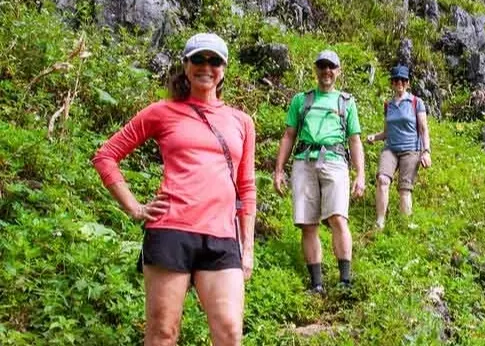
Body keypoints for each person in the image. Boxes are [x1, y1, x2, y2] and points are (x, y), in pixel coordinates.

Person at [92, 33, 256, 346]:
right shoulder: (161, 112)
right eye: (198, 59)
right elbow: (105, 156)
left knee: (230, 332)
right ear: (185, 65)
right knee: (162, 333)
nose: (205, 66)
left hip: (223, 237)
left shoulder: (241, 121)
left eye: (214, 60)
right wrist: (134, 207)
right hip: (171, 230)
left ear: (224, 68)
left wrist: (247, 247)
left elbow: (246, 187)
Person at [273, 50, 365, 294]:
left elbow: (354, 140)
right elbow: (289, 135)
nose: (327, 71)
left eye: (331, 67)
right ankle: (317, 284)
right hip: (304, 161)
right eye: (322, 66)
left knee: (338, 218)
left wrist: (361, 174)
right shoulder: (301, 100)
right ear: (316, 70)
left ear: (338, 71)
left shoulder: (346, 102)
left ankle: (345, 280)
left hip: (335, 161)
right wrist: (279, 169)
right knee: (308, 223)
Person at [366, 65, 431, 229]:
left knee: (404, 189)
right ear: (392, 83)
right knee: (382, 179)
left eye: (402, 80)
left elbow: (423, 128)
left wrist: (426, 152)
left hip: (411, 150)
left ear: (408, 83)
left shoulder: (416, 102)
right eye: (396, 80)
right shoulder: (388, 105)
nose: (399, 83)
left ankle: (405, 225)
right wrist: (375, 137)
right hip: (391, 149)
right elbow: (387, 132)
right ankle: (380, 221)